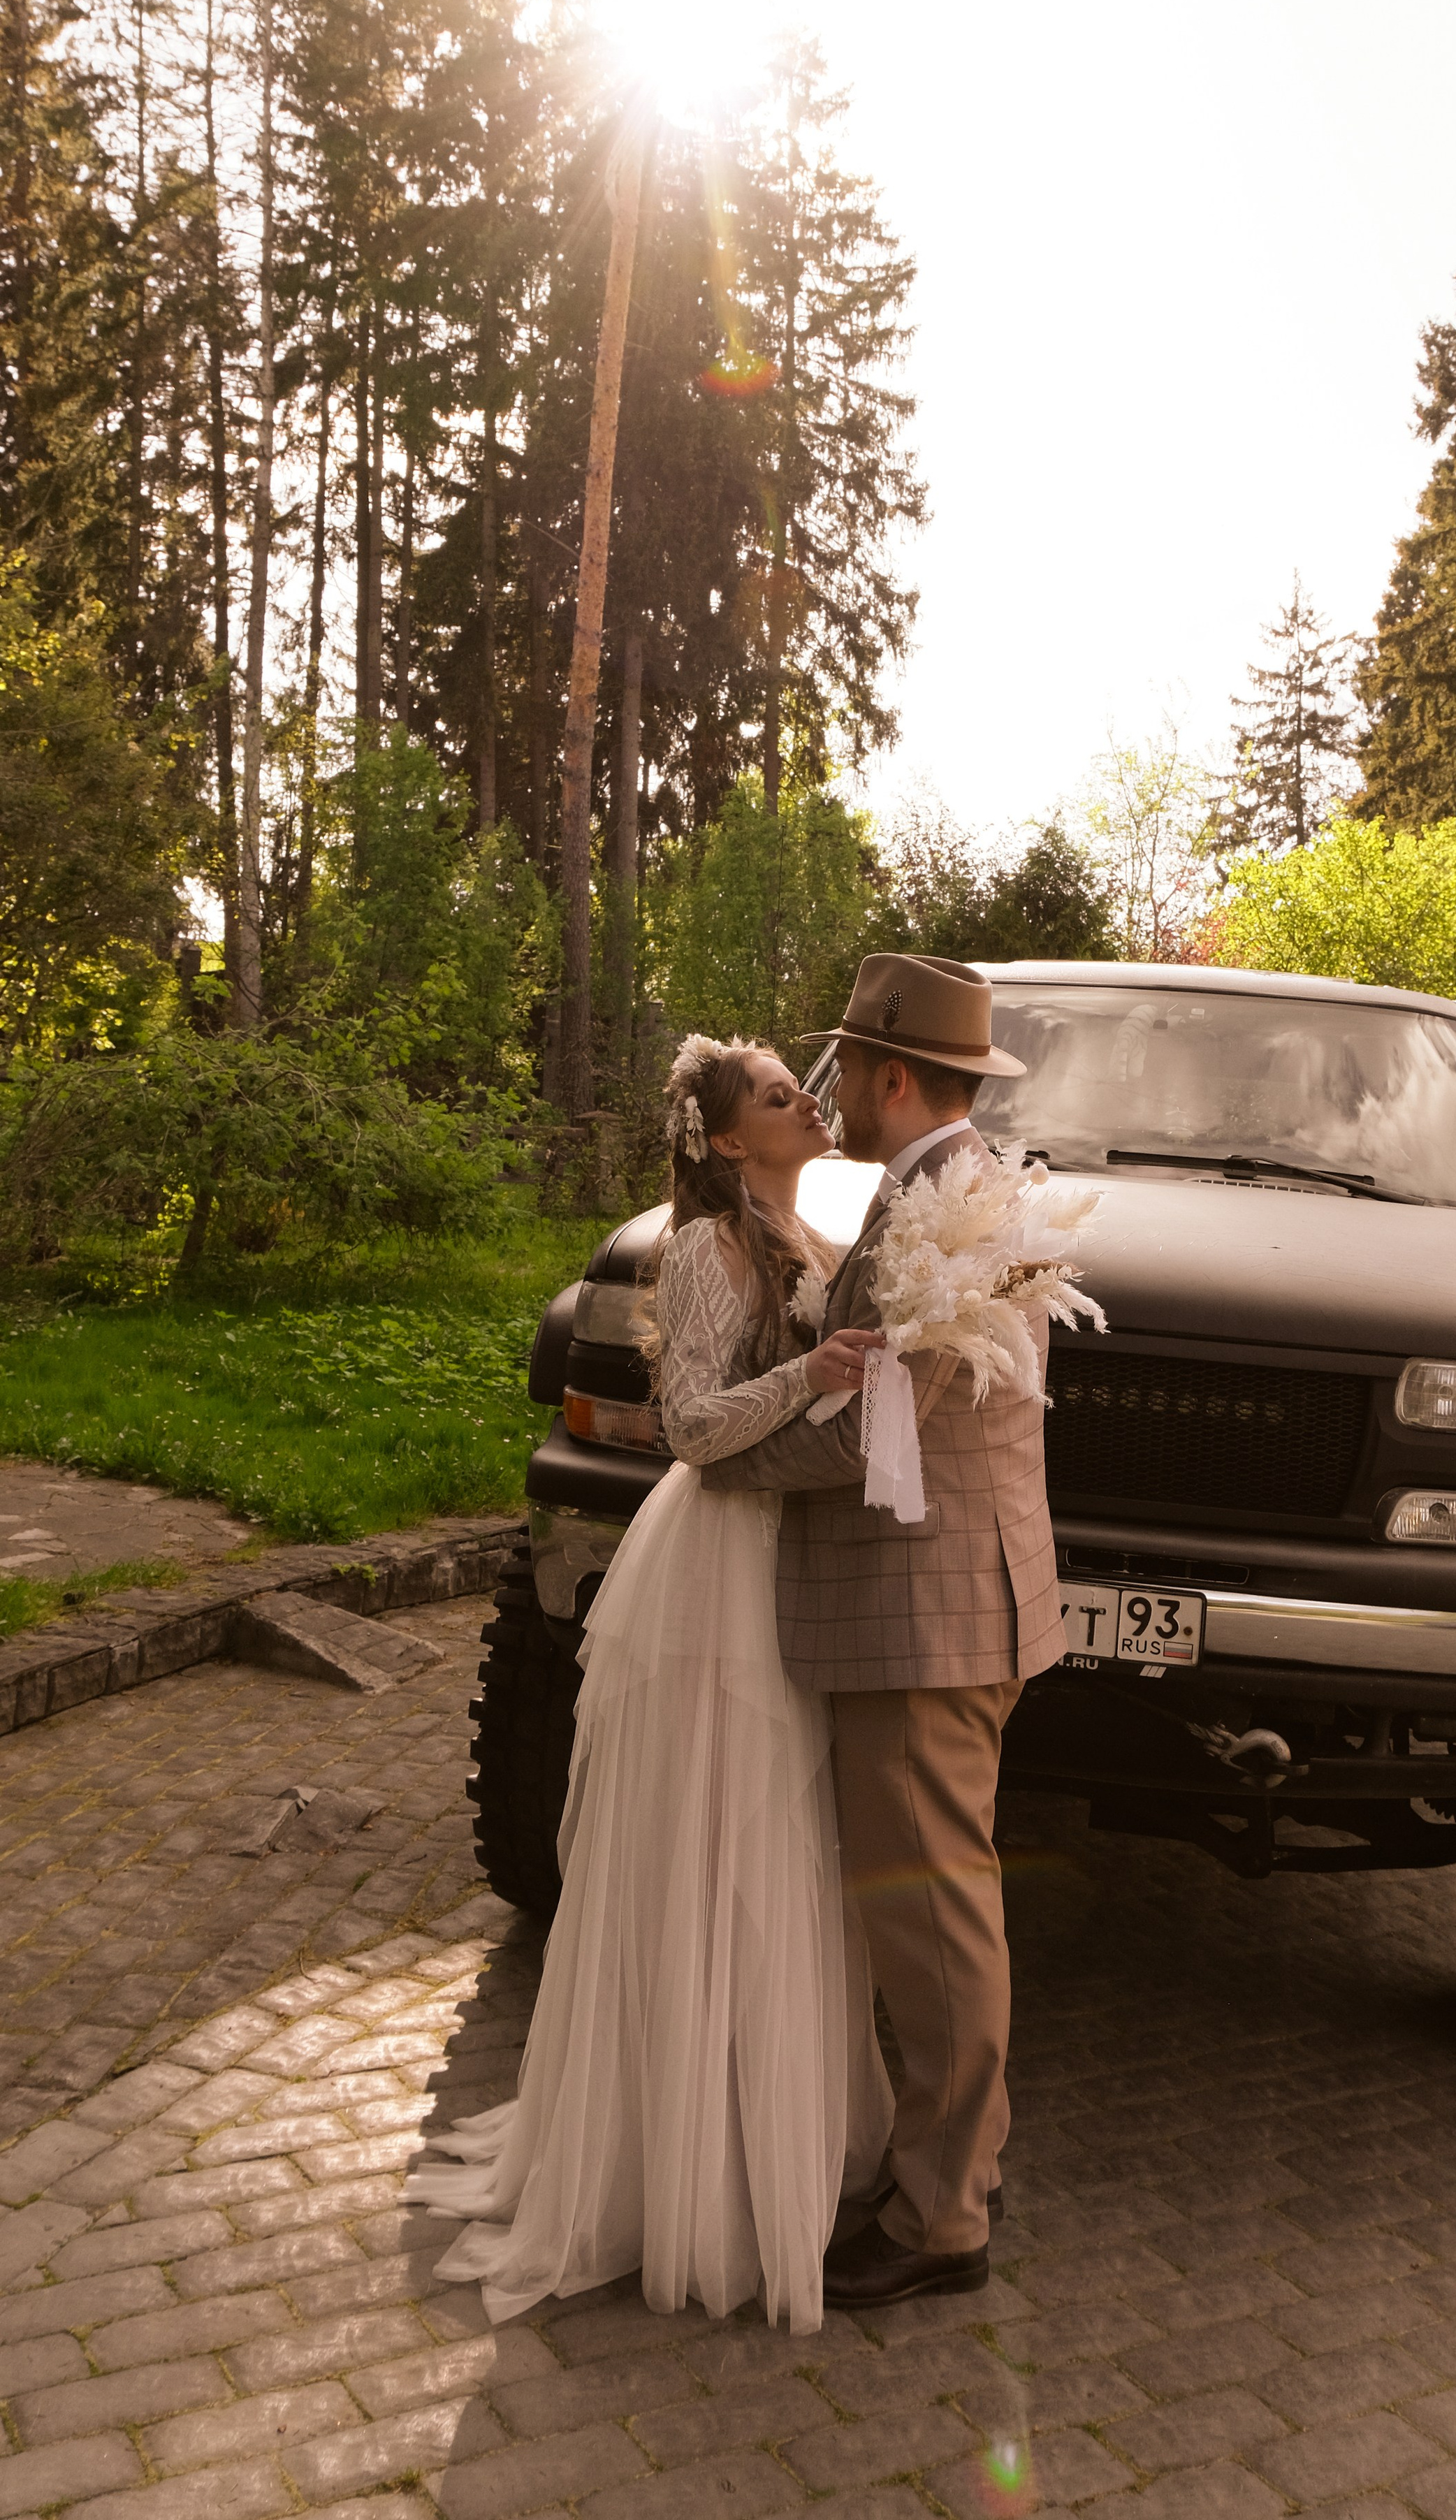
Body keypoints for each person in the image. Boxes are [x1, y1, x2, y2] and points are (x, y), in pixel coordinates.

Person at [405, 1036, 894, 2336]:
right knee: (713, 1836)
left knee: (786, 1844)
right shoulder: (698, 1251)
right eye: (780, 1094)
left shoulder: (810, 1236)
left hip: (796, 1555)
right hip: (718, 1569)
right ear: (728, 1139)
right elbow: (688, 1427)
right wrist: (813, 1373)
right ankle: (673, 2163)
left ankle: (756, 2132)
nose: (807, 1101)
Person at [702, 952, 1066, 2310]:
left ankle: (939, 2217)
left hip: (925, 1614)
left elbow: (871, 1430)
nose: (832, 1088)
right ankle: (957, 2162)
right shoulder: (949, 1192)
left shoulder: (949, 1212)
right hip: (953, 1598)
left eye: (847, 1066)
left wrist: (715, 1456)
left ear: (892, 1075)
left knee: (931, 1918)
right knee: (939, 1901)